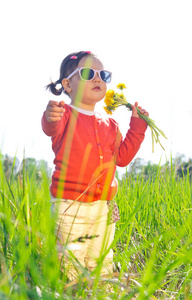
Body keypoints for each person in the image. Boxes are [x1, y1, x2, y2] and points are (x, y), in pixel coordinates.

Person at [41, 51, 149, 280]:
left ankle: (100, 292)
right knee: (70, 261)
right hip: (70, 205)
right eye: (89, 73)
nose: (98, 79)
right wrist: (50, 116)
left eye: (103, 75)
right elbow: (51, 128)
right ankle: (70, 292)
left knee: (101, 261)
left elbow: (122, 158)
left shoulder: (110, 123)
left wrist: (137, 127)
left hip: (103, 207)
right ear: (68, 84)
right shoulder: (64, 114)